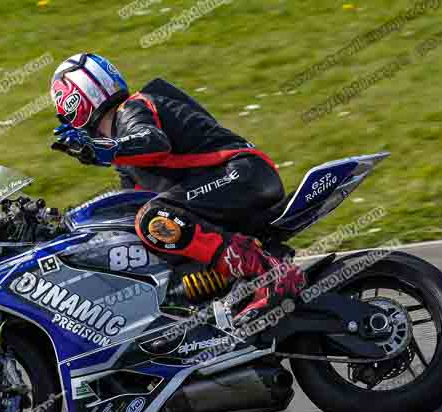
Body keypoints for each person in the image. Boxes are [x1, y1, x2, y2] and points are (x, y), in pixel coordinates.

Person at [49, 53, 305, 323]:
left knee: (154, 218)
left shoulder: (134, 108)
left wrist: (100, 150)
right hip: (230, 186)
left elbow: (153, 142)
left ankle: (271, 275)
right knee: (149, 236)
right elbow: (129, 204)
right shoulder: (125, 158)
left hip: (242, 174)